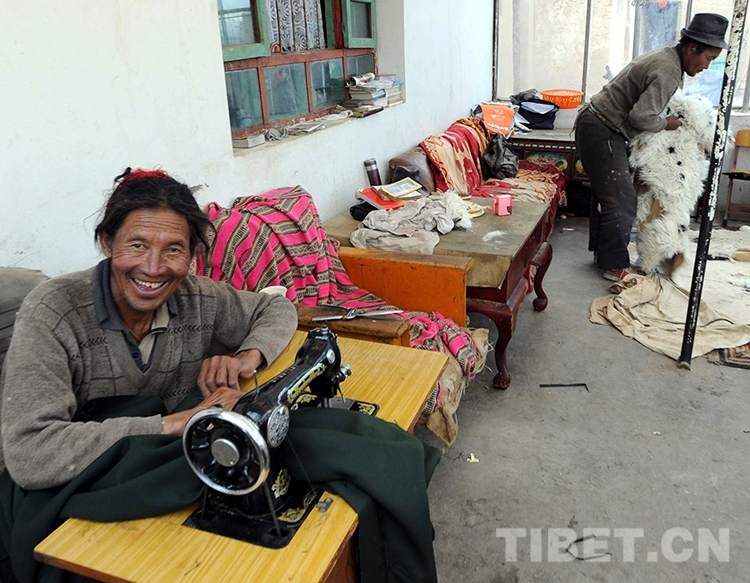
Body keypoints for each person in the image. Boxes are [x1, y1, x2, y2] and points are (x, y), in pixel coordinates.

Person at [0, 168, 298, 491]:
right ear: (107, 242)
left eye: (173, 249)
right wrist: (181, 422)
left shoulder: (197, 297)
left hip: (163, 469)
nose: (153, 268)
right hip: (71, 490)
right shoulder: (53, 312)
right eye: (138, 245)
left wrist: (246, 358)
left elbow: (276, 308)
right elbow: (30, 453)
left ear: (191, 254)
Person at [575, 13, 728, 281]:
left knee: (608, 196)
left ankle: (604, 255)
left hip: (599, 123)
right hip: (601, 128)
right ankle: (614, 266)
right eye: (708, 58)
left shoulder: (666, 57)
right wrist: (667, 124)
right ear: (692, 48)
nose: (707, 66)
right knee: (622, 201)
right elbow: (641, 117)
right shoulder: (668, 71)